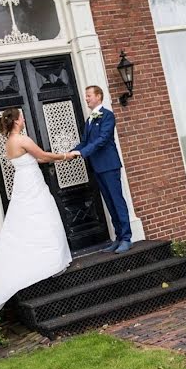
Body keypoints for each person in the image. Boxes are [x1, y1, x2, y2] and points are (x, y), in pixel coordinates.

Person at [0, 108, 74, 313]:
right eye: (22, 116)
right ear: (16, 121)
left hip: (23, 183)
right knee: (45, 217)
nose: (24, 119)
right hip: (32, 184)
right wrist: (65, 155)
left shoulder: (8, 142)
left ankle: (43, 260)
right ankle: (50, 263)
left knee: (26, 222)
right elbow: (42, 156)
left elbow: (37, 159)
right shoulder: (22, 139)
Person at [70, 86, 133, 254]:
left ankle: (127, 238)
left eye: (89, 95)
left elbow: (103, 139)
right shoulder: (89, 120)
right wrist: (69, 153)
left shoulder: (107, 115)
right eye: (86, 96)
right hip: (97, 167)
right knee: (110, 203)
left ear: (98, 96)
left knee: (117, 201)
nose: (86, 99)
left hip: (109, 165)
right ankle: (119, 237)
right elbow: (85, 142)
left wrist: (82, 152)